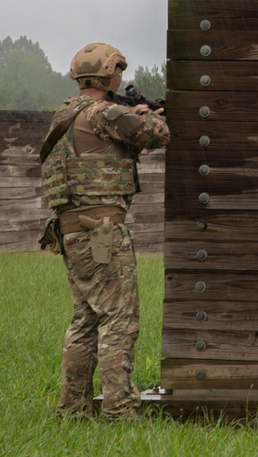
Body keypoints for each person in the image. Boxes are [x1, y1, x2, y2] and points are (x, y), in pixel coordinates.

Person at [38, 43, 170, 420]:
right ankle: (120, 410)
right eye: (118, 73)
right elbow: (158, 135)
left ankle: (73, 409)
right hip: (101, 233)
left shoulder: (64, 115)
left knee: (86, 320)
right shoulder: (104, 113)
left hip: (72, 230)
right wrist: (145, 114)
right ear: (108, 75)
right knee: (119, 319)